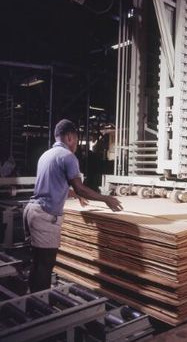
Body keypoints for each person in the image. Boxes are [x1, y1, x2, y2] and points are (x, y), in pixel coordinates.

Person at [23, 119, 123, 293]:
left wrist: (75, 195)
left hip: (31, 211)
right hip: (45, 216)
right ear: (69, 136)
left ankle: (31, 301)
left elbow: (55, 185)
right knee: (46, 265)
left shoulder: (46, 155)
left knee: (38, 261)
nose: (76, 145)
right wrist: (106, 199)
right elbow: (80, 187)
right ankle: (40, 309)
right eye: (76, 140)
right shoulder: (68, 157)